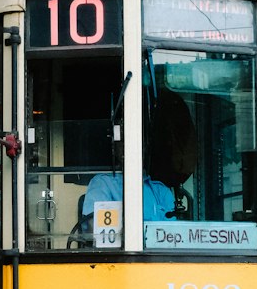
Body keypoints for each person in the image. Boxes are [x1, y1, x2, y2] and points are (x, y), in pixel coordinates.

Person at [81, 89, 197, 224]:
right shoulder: (102, 184)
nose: (130, 148)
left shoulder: (160, 190)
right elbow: (94, 228)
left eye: (137, 142)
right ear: (115, 147)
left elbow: (171, 236)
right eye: (123, 141)